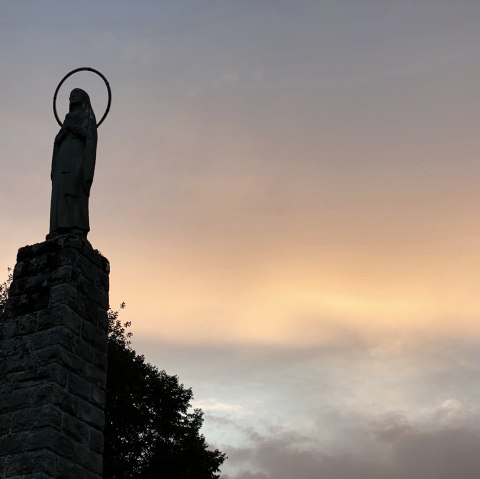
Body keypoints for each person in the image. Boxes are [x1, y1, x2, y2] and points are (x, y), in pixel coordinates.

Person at [48, 88, 97, 239]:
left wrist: (76, 130)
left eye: (75, 94)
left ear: (83, 98)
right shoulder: (67, 117)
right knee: (60, 189)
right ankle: (58, 227)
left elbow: (91, 137)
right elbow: (57, 140)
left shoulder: (87, 115)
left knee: (74, 189)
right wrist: (62, 134)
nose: (71, 97)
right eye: (70, 95)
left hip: (77, 158)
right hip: (63, 158)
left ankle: (77, 226)